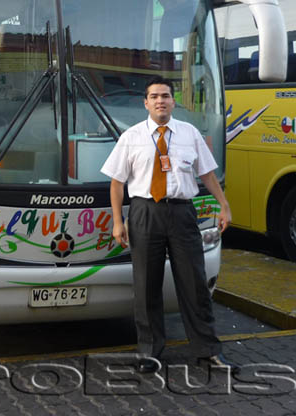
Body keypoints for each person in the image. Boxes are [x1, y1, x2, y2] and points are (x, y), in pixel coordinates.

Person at [101, 75, 237, 375]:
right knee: (146, 285)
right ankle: (149, 352)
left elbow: (207, 174)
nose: (160, 100)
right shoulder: (131, 137)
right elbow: (116, 182)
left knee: (195, 284)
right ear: (145, 103)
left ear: (173, 101)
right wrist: (117, 221)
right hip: (144, 213)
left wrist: (223, 204)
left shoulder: (189, 133)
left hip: (182, 214)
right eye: (154, 96)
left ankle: (208, 352)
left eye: (165, 95)